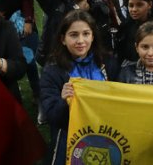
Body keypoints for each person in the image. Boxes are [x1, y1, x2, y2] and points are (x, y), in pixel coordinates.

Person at [40, 10, 119, 165]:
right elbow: (52, 117)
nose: (80, 40)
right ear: (63, 39)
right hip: (69, 137)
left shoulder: (108, 62)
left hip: (106, 133)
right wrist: (63, 101)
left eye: (86, 34)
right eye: (74, 35)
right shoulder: (52, 71)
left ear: (93, 36)